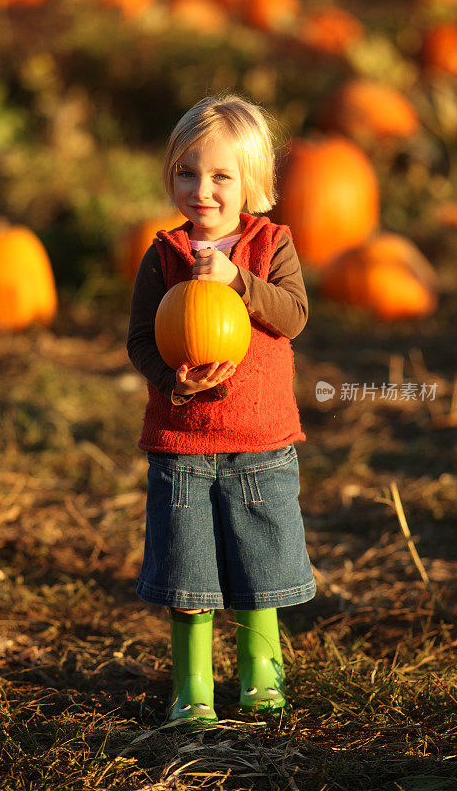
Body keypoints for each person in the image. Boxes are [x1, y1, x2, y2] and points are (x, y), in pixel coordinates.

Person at [126, 94, 315, 729]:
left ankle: (262, 676)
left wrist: (237, 280)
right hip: (182, 443)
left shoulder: (271, 245)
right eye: (186, 173)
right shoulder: (163, 256)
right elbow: (140, 341)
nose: (201, 190)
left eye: (220, 176)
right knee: (189, 573)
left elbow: (292, 316)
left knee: (262, 566)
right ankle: (193, 688)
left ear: (251, 183)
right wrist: (169, 382)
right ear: (171, 177)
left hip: (260, 442)